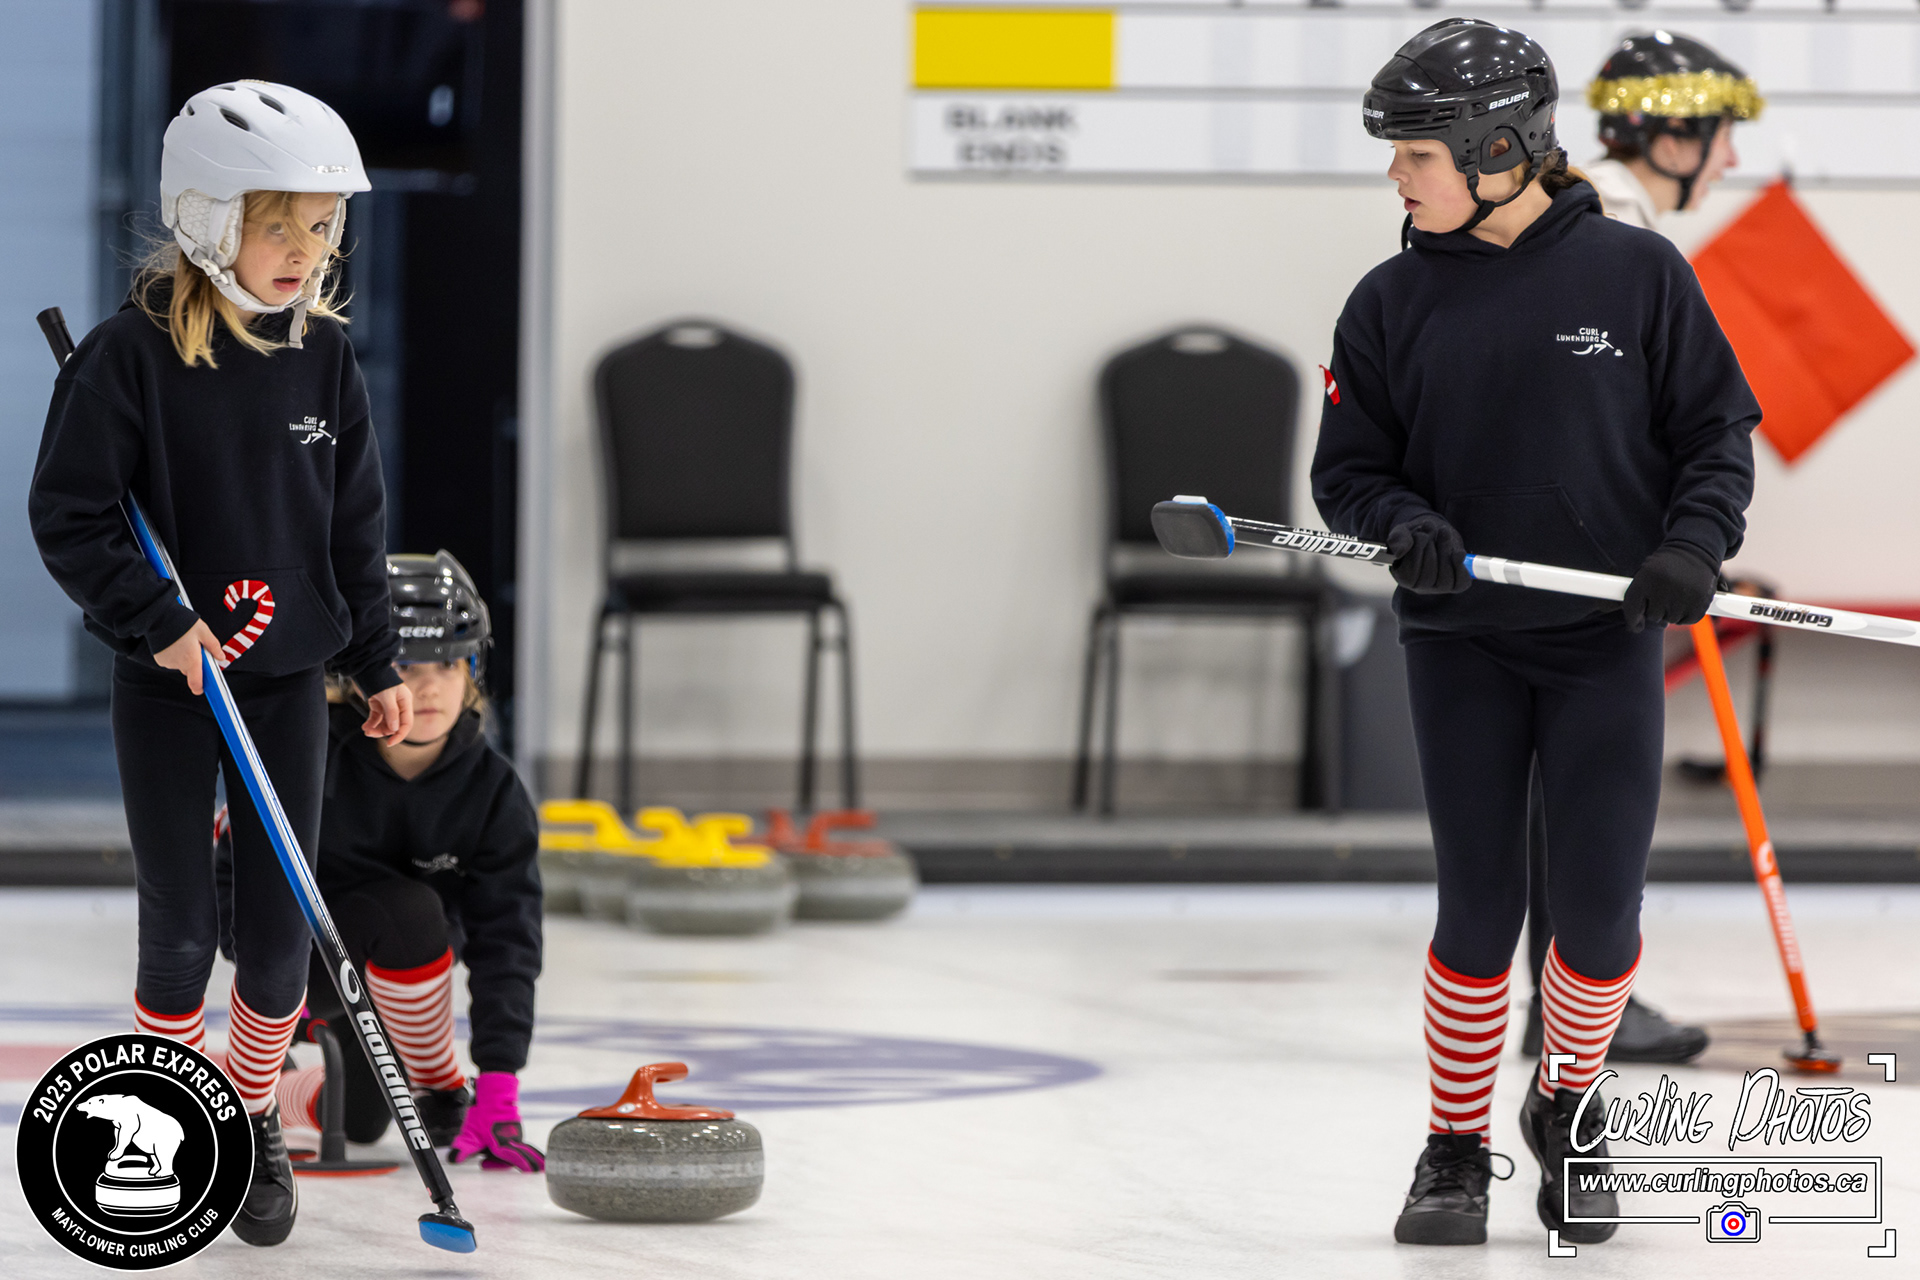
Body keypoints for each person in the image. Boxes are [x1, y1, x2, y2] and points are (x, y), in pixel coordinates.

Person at [1312, 20, 1759, 1246]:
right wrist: (1401, 521)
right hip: (1459, 640)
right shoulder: (1388, 300)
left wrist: (1692, 548)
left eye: (1416, 154)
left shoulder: (1638, 274)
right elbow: (1347, 473)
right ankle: (1455, 1144)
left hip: (1603, 640)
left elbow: (1715, 436)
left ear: (1498, 149)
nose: (1396, 177)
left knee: (1600, 919)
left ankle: (1567, 1104)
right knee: (1478, 910)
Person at [30, 81, 409, 1246]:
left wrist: (378, 656)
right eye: (278, 224)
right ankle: (185, 1114)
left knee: (282, 940)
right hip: (170, 683)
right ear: (203, 215)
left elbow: (356, 526)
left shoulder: (324, 357)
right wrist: (156, 617)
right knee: (182, 928)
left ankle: (249, 1114)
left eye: (323, 226)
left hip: (286, 680)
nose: (307, 251)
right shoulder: (125, 358)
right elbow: (71, 513)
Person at [1513, 30, 1766, 1069]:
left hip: (1582, 548)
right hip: (1584, 560)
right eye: (1720, 136)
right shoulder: (1610, 224)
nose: (1732, 159)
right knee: (1586, 794)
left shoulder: (1605, 214)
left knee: (1566, 788)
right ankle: (1576, 1006)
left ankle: (1564, 998)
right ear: (1668, 136)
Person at [272, 552, 544, 1172]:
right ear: (359, 672)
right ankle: (439, 1083)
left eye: (447, 664)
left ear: (472, 670)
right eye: (403, 664)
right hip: (302, 966)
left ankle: (267, 1093)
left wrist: (500, 1082)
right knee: (408, 909)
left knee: (360, 1121)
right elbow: (232, 875)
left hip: (403, 985)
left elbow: (509, 939)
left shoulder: (494, 791)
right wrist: (276, 993)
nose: (426, 687)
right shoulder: (306, 753)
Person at [1583, 31, 1764, 229]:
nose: (1733, 161)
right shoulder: (1614, 223)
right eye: (1726, 135)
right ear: (1673, 134)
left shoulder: (1595, 203)